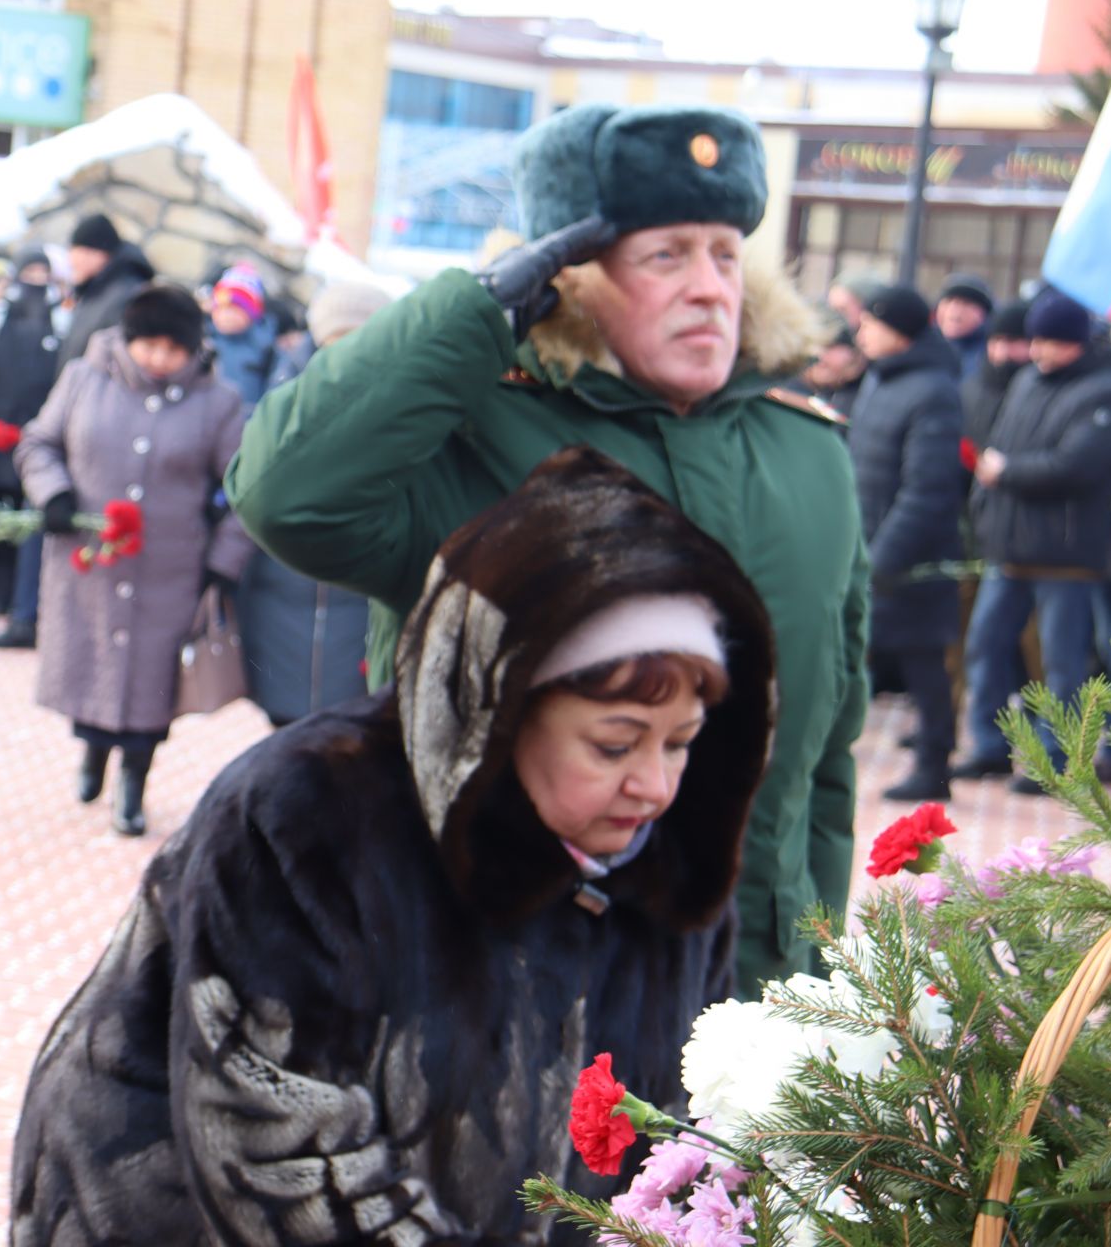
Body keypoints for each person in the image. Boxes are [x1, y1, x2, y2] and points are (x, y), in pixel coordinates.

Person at [10, 447, 777, 1246]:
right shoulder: (306, 816)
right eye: (615, 746)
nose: (654, 786)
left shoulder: (672, 864)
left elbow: (677, 1145)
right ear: (500, 712)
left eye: (680, 742)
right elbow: (279, 1151)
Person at [228, 102, 866, 990]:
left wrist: (815, 972)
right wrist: (476, 312)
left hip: (749, 989)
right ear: (570, 275)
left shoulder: (807, 452)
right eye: (665, 255)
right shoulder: (471, 430)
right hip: (508, 988)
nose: (709, 286)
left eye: (725, 253)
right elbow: (286, 494)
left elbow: (826, 757)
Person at [16, 283, 252, 837]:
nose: (160, 360)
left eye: (174, 350)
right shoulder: (83, 379)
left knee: (151, 684)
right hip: (92, 561)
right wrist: (53, 494)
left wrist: (225, 561)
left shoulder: (219, 403)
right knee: (92, 665)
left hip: (168, 570)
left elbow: (248, 490)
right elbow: (38, 443)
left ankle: (134, 785)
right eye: (150, 346)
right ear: (129, 338)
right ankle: (93, 753)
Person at [959, 288, 1111, 792]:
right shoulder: (1026, 380)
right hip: (1008, 548)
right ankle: (987, 746)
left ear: (1075, 342)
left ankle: (1057, 758)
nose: (1038, 351)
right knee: (984, 646)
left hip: (1066, 556)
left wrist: (1004, 473)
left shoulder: (1104, 391)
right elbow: (999, 443)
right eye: (1036, 341)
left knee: (1062, 663)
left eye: (1050, 342)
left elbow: (1078, 465)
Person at [237, 280, 391, 727]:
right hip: (283, 581)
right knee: (284, 717)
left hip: (358, 584)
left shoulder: (399, 399)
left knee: (350, 718)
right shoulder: (284, 390)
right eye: (334, 340)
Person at [848, 285, 966, 801]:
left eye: (871, 323)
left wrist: (882, 559)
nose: (860, 334)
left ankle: (934, 769)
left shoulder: (933, 389)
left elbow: (928, 486)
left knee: (924, 662)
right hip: (869, 544)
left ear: (898, 330)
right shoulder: (879, 378)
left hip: (913, 558)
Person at [0, 248, 66, 642]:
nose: (36, 278)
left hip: (40, 439)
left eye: (43, 271)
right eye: (30, 270)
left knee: (29, 524)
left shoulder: (60, 318)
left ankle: (20, 604)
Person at [59, 213, 154, 374]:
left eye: (76, 251)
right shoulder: (95, 290)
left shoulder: (127, 294)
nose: (71, 260)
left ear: (98, 253)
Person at [960, 299, 1031, 456]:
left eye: (1013, 342)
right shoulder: (972, 387)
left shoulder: (1038, 390)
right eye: (996, 341)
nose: (1002, 352)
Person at [205, 263, 280, 407]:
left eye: (235, 310)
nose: (227, 316)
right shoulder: (205, 338)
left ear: (252, 314)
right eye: (221, 309)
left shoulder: (264, 347)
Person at [799, 308, 868, 421]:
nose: (819, 355)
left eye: (829, 346)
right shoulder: (787, 387)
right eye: (813, 346)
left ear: (852, 352)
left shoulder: (865, 393)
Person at [936, 272, 995, 381]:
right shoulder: (923, 345)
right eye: (949, 301)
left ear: (984, 313)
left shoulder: (990, 354)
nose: (954, 309)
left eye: (965, 303)